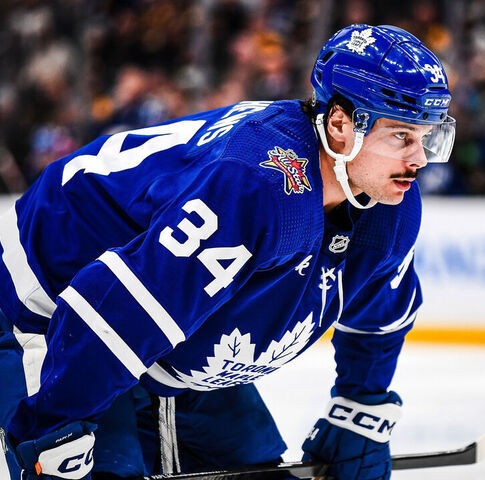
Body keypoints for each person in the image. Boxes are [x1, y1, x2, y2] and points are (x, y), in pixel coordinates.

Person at [0, 24, 455, 480]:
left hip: (163, 335)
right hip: (53, 313)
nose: (420, 159)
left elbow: (379, 313)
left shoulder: (389, 206)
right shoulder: (257, 186)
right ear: (340, 126)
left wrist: (361, 406)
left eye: (428, 137)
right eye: (401, 136)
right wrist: (54, 428)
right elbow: (120, 312)